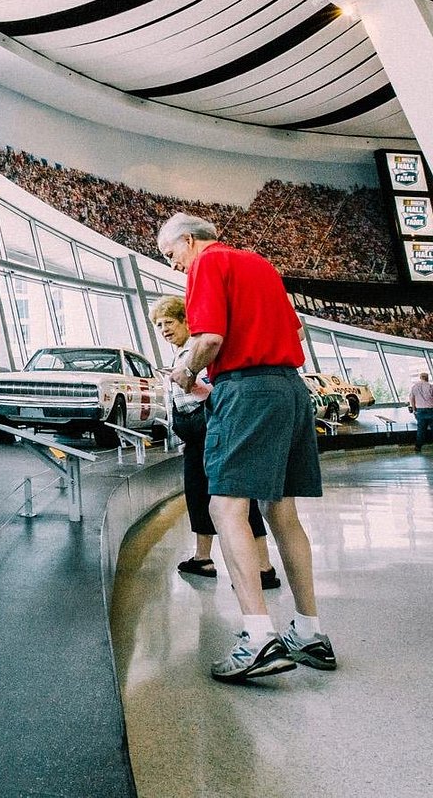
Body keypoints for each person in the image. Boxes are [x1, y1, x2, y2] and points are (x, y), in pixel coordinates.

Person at [157, 212, 335, 683]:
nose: (174, 266)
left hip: (247, 389)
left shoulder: (207, 266)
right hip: (290, 389)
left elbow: (210, 339)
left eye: (171, 254)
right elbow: (297, 333)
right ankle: (309, 631)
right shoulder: (259, 264)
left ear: (190, 242)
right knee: (282, 512)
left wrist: (185, 372)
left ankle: (258, 638)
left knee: (225, 507)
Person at [149, 296, 279, 589]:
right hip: (195, 435)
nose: (164, 330)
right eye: (159, 326)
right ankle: (202, 557)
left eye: (169, 323)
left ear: (185, 320)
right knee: (197, 493)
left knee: (236, 494)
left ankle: (263, 567)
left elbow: (216, 390)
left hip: (212, 427)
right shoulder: (181, 353)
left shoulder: (200, 351)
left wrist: (195, 389)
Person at [408, 371, 433, 453]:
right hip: (431, 410)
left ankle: (418, 447)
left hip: (420, 410)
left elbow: (412, 398)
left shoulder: (414, 387)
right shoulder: (430, 386)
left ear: (420, 378)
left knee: (421, 430)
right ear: (427, 378)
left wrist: (414, 410)